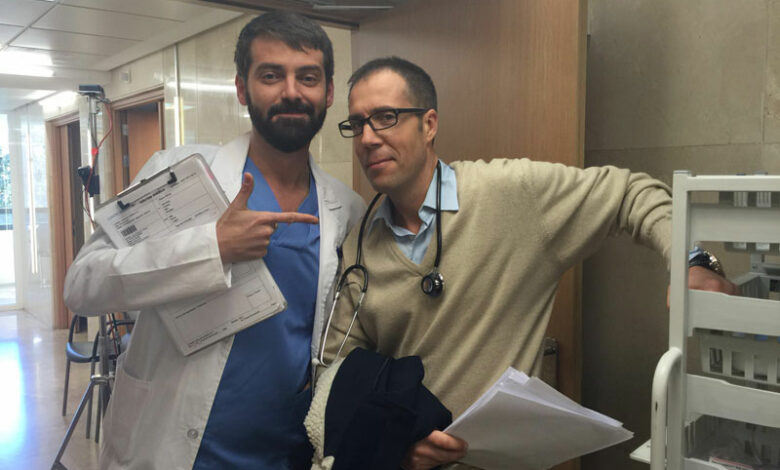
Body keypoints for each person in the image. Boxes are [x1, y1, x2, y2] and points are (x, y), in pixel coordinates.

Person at [319, 57, 739, 470]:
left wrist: (692, 260)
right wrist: (392, 445)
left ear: (429, 125)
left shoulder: (510, 195)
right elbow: (337, 372)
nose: (367, 138)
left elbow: (631, 193)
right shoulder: (361, 244)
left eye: (386, 118)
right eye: (356, 124)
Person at [64, 11, 364, 469]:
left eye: (307, 77)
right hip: (171, 448)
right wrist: (212, 247)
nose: (291, 91)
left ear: (327, 93)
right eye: (270, 75)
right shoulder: (177, 172)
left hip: (284, 452)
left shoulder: (346, 209)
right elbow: (81, 285)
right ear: (242, 89)